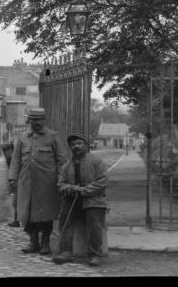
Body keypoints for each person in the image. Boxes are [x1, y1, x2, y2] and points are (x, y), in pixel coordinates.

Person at [8, 108, 67, 255]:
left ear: (44, 120)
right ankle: (33, 242)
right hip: (26, 183)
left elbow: (62, 160)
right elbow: (15, 160)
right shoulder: (23, 137)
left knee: (46, 214)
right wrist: (12, 178)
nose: (36, 123)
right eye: (33, 120)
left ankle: (45, 243)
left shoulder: (53, 136)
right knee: (26, 213)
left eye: (39, 119)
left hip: (47, 184)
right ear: (30, 121)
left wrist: (62, 179)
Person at [53, 132, 109, 267]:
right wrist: (71, 188)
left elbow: (103, 181)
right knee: (64, 220)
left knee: (94, 224)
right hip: (73, 199)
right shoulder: (66, 165)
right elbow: (61, 184)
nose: (76, 146)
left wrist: (84, 190)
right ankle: (66, 252)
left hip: (94, 200)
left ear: (86, 145)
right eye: (73, 144)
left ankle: (96, 254)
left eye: (79, 143)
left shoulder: (96, 161)